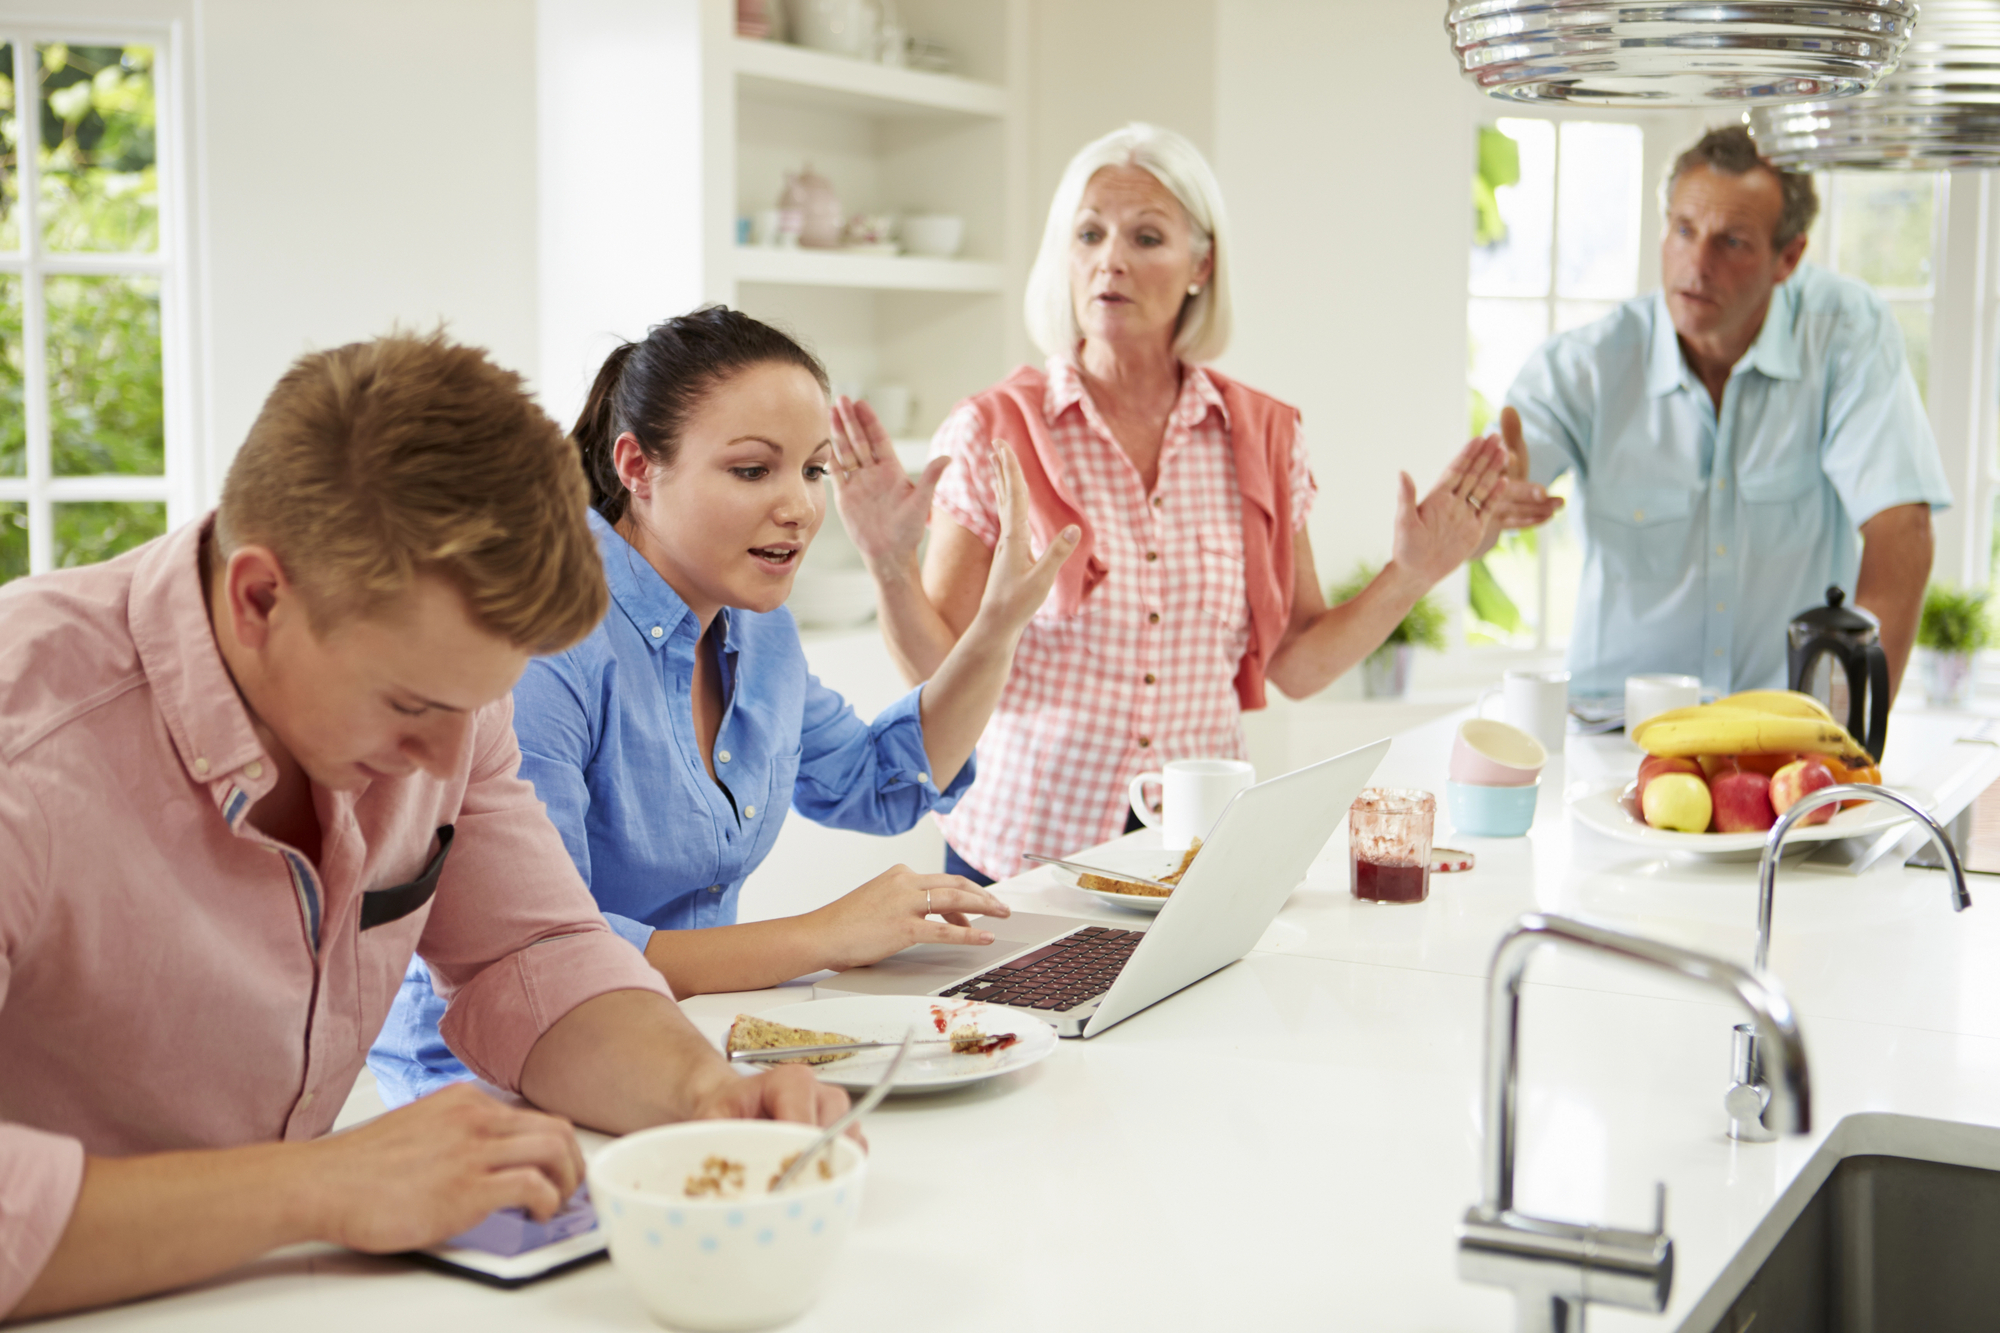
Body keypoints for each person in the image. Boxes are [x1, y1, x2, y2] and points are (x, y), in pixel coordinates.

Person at [0, 333, 846, 1322]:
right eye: (409, 708)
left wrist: (702, 1095)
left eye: (472, 710)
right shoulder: (29, 748)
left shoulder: (446, 683)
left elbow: (533, 951)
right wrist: (318, 1187)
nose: (446, 767)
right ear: (261, 597)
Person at [369, 308, 1076, 1105]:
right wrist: (823, 934)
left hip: (684, 1042)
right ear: (636, 465)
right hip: (497, 1078)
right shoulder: (547, 643)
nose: (800, 507)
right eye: (752, 471)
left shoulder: (756, 627)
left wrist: (995, 629)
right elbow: (549, 952)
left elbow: (881, 782)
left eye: (813, 470)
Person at [827, 123, 1507, 884]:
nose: (1110, 258)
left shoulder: (1264, 436)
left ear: (1201, 265)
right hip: (1023, 855)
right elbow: (941, 669)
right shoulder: (995, 428)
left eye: (1147, 236)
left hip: (1194, 856)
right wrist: (890, 565)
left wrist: (1413, 573)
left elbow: (1299, 664)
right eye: (1089, 234)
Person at [1483, 125, 1950, 700]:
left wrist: (1848, 730)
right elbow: (1475, 514)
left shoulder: (1843, 333)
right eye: (1684, 230)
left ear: (1789, 257)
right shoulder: (1586, 365)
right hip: (1614, 727)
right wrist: (1488, 505)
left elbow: (1902, 527)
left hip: (1778, 735)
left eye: (1732, 242)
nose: (1696, 264)